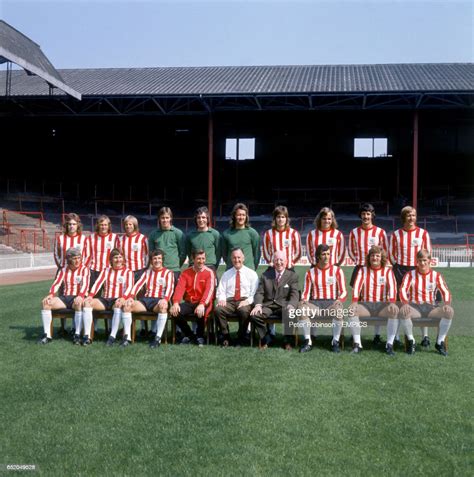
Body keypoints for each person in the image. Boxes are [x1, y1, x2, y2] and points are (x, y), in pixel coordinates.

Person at [390, 206, 432, 346]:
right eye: (408, 215)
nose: (411, 218)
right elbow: (391, 253)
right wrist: (398, 265)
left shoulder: (423, 233)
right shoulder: (396, 234)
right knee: (398, 302)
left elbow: (428, 252)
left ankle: (425, 337)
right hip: (400, 270)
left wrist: (423, 267)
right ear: (404, 217)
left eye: (413, 215)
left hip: (417, 270)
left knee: (421, 299)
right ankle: (395, 336)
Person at [348, 203, 389, 343]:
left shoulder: (380, 232)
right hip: (360, 268)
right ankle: (356, 335)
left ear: (372, 215)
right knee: (357, 301)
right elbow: (351, 250)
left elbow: (384, 251)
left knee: (377, 298)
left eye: (368, 214)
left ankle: (377, 335)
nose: (366, 216)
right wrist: (360, 262)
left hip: (376, 269)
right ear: (360, 215)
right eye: (363, 214)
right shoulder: (354, 232)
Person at [399, 249, 453, 356]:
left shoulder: (436, 275)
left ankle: (439, 342)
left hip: (431, 308)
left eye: (424, 260)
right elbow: (402, 290)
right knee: (403, 312)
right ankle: (411, 341)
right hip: (415, 307)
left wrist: (447, 304)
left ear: (430, 261)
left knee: (449, 312)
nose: (422, 263)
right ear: (417, 262)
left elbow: (446, 291)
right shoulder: (410, 275)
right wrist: (405, 304)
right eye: (420, 261)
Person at [298, 244, 347, 353]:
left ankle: (335, 342)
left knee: (339, 311)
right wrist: (304, 301)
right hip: (315, 304)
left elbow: (343, 291)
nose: (326, 256)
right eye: (323, 254)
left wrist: (339, 300)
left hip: (331, 304)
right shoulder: (310, 272)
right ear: (318, 256)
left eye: (328, 254)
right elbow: (306, 292)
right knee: (302, 309)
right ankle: (308, 341)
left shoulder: (337, 271)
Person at [350, 246, 399, 355]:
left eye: (377, 256)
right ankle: (357, 344)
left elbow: (393, 287)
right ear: (369, 257)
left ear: (381, 258)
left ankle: (389, 344)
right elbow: (357, 286)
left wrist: (392, 302)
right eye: (372, 255)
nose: (375, 258)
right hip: (366, 305)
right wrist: (354, 302)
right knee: (352, 311)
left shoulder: (387, 271)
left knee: (394, 311)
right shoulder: (363, 270)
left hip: (382, 306)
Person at [83, 248, 134, 347]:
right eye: (115, 257)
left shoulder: (128, 272)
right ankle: (87, 336)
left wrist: (123, 297)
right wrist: (90, 295)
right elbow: (98, 283)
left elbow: (130, 287)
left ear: (123, 259)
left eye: (120, 257)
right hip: (105, 299)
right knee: (87, 303)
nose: (118, 260)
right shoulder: (106, 270)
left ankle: (112, 336)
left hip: (118, 299)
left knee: (118, 305)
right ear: (111, 259)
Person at [38, 247, 90, 345]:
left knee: (78, 304)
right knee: (46, 304)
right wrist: (51, 294)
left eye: (79, 258)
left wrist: (81, 295)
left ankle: (77, 334)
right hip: (65, 298)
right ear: (69, 259)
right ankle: (47, 335)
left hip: (78, 297)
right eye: (74, 258)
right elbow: (57, 282)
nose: (77, 260)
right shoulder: (63, 270)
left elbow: (85, 284)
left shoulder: (84, 269)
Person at [250, 250, 299, 350]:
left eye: (281, 260)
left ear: (286, 261)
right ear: (273, 261)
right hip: (268, 306)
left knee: (290, 313)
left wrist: (291, 305)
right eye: (276, 260)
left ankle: (287, 340)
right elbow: (260, 292)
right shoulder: (265, 275)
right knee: (255, 315)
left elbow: (294, 293)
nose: (279, 262)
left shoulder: (292, 276)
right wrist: (258, 305)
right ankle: (266, 338)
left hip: (284, 306)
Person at [125, 249, 174, 349]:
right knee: (127, 306)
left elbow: (170, 288)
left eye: (159, 258)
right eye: (155, 258)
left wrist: (165, 299)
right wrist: (130, 296)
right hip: (146, 300)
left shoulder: (168, 273)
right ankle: (127, 338)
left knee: (163, 307)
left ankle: (158, 338)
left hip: (159, 300)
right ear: (151, 261)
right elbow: (138, 285)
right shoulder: (147, 272)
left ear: (162, 260)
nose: (157, 261)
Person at [170, 249, 215, 347]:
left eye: (203, 258)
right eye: (198, 259)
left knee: (201, 312)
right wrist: (176, 302)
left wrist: (202, 304)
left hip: (203, 302)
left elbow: (209, 291)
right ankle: (189, 335)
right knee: (175, 311)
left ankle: (200, 336)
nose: (201, 261)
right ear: (193, 259)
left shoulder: (209, 272)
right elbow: (179, 288)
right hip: (189, 302)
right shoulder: (186, 272)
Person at [215, 247, 259, 346]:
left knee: (244, 311)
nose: (237, 260)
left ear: (243, 258)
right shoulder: (226, 274)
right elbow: (221, 290)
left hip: (244, 300)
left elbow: (255, 293)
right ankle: (225, 336)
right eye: (234, 258)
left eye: (239, 257)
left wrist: (247, 301)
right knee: (218, 310)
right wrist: (222, 299)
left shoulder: (252, 274)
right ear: (231, 259)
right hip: (230, 301)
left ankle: (242, 336)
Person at [116, 215, 149, 336]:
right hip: (126, 273)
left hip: (139, 271)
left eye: (130, 224)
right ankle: (127, 328)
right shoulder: (120, 239)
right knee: (125, 298)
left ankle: (144, 328)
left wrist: (143, 269)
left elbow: (147, 255)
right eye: (126, 224)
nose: (128, 226)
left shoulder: (142, 238)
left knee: (141, 299)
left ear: (135, 225)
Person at [148, 207, 186, 282]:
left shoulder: (178, 233)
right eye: (162, 218)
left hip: (174, 270)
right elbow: (151, 253)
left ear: (171, 218)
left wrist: (176, 265)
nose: (165, 220)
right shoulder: (153, 234)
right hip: (158, 271)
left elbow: (183, 254)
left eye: (167, 217)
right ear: (159, 219)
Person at [221, 203, 261, 270]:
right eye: (239, 215)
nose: (241, 217)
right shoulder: (226, 234)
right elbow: (225, 255)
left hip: (248, 270)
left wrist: (252, 269)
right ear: (234, 216)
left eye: (243, 215)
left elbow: (257, 254)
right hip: (231, 270)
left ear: (246, 217)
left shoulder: (253, 233)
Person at [84, 215, 118, 288]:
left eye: (105, 225)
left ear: (109, 226)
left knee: (110, 295)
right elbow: (87, 255)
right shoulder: (91, 238)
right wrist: (85, 269)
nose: (103, 227)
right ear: (98, 225)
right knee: (93, 296)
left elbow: (117, 254)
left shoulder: (115, 238)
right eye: (101, 225)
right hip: (94, 271)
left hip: (109, 271)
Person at [185, 206, 221, 271]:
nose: (201, 220)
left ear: (207, 219)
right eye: (198, 217)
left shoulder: (215, 234)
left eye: (203, 217)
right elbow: (188, 252)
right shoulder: (190, 235)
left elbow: (218, 253)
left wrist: (214, 266)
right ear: (196, 219)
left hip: (210, 266)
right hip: (194, 267)